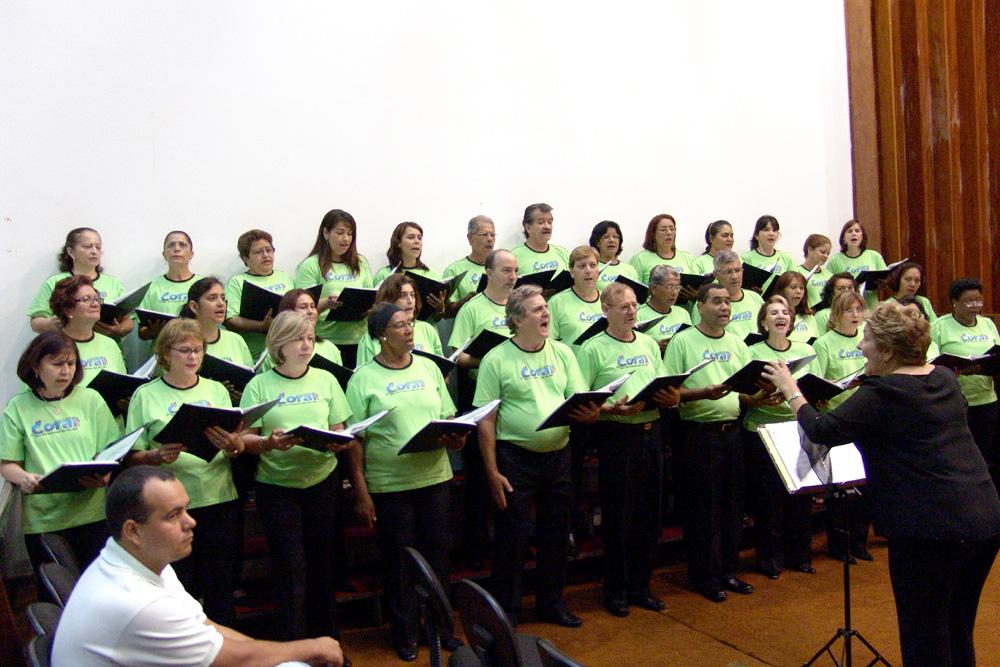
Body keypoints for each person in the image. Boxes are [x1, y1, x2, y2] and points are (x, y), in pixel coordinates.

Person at [763, 302, 1000, 667]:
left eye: (868, 339)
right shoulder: (944, 378)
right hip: (982, 518)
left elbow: (822, 430)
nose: (861, 346)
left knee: (924, 637)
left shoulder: (883, 393)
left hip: (930, 530)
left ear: (888, 351)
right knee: (957, 627)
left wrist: (791, 388)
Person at [51, 466, 344, 667]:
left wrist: (277, 657)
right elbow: (234, 659)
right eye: (173, 515)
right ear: (133, 531)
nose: (190, 522)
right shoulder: (138, 603)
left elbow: (206, 627)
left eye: (186, 509)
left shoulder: (139, 560)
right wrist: (313, 648)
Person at [473, 284, 600, 627]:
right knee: (512, 538)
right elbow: (486, 420)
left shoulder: (562, 353)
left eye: (546, 307)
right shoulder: (496, 359)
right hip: (515, 457)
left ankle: (552, 604)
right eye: (537, 309)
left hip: (558, 455)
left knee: (556, 534)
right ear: (516, 319)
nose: (546, 313)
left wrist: (590, 412)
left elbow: (577, 399)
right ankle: (507, 611)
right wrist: (492, 472)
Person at [345, 303, 463, 662]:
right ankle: (405, 632)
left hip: (434, 477)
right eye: (399, 325)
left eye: (410, 323)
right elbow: (354, 440)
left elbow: (448, 416)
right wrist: (361, 491)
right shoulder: (363, 378)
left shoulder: (428, 367)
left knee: (439, 557)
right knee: (399, 562)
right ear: (382, 335)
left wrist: (455, 437)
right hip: (390, 484)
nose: (409, 329)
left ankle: (442, 629)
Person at [240, 311, 353, 643]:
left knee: (323, 567)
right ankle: (293, 647)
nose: (306, 345)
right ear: (279, 344)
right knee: (290, 569)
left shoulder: (325, 380)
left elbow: (339, 428)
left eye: (309, 338)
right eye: (297, 339)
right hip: (277, 488)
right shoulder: (259, 385)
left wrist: (337, 441)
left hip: (322, 481)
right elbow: (244, 438)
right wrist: (268, 443)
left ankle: (327, 644)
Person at [125, 318, 245, 624]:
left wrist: (233, 445)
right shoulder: (145, 395)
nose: (193, 357)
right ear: (166, 353)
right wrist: (155, 455)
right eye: (184, 350)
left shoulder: (216, 390)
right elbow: (132, 455)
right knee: (180, 586)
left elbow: (235, 445)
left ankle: (222, 645)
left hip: (218, 496)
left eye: (198, 350)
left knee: (221, 584)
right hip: (170, 506)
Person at [663, 283, 774, 601]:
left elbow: (742, 393)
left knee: (732, 506)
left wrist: (762, 395)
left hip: (732, 433)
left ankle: (728, 571)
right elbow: (671, 392)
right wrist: (703, 393)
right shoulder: (683, 341)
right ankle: (705, 576)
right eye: (717, 301)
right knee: (704, 509)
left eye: (727, 302)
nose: (725, 307)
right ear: (700, 306)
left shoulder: (737, 342)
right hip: (698, 435)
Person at [577, 283, 679, 616]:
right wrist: (610, 409)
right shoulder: (592, 348)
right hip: (617, 437)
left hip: (651, 432)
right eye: (624, 307)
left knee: (649, 516)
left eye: (634, 305)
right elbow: (583, 402)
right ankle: (616, 589)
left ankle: (641, 586)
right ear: (606, 309)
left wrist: (672, 397)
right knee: (619, 517)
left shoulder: (648, 343)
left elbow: (664, 383)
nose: (632, 311)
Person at [1, 332, 119, 580]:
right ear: (36, 366)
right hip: (45, 520)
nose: (65, 371)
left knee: (98, 587)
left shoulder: (91, 399)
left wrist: (104, 474)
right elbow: (8, 463)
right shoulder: (18, 407)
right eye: (57, 364)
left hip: (91, 513)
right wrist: (24, 478)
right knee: (56, 591)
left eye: (71, 363)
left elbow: (110, 450)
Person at [447, 249, 517, 569]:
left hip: (514, 397)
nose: (512, 276)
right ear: (488, 272)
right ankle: (476, 551)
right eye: (505, 270)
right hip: (480, 396)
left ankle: (510, 547)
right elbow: (456, 355)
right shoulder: (473, 308)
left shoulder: (520, 307)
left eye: (515, 270)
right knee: (479, 478)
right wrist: (490, 359)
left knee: (512, 475)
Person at [741, 296, 817, 578]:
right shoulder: (752, 352)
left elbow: (814, 385)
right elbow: (743, 391)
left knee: (800, 498)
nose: (781, 316)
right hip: (761, 431)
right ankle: (770, 560)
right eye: (773, 313)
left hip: (796, 430)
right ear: (763, 323)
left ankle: (800, 555)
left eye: (785, 312)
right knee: (768, 500)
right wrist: (759, 397)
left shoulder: (805, 350)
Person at [812, 290, 872, 562]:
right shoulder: (824, 343)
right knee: (840, 487)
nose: (855, 315)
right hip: (838, 419)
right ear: (837, 314)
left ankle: (859, 541)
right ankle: (839, 544)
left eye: (859, 309)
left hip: (866, 419)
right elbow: (819, 383)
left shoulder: (867, 339)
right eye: (849, 310)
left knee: (865, 484)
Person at [932, 278, 999, 491]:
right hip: (955, 401)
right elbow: (930, 362)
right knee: (959, 455)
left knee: (986, 454)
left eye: (978, 301)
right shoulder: (940, 326)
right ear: (955, 302)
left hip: (986, 399)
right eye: (969, 301)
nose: (975, 306)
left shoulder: (987, 324)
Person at [294, 210, 372, 369]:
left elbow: (370, 295)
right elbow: (300, 309)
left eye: (350, 234)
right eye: (340, 233)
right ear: (325, 233)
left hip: (358, 339)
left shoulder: (360, 263)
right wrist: (327, 303)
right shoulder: (311, 265)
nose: (346, 239)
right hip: (325, 340)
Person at [28, 227, 131, 339]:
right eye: (88, 246)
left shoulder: (113, 283)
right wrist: (51, 324)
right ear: (71, 251)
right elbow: (35, 322)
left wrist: (121, 330)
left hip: (106, 345)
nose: (94, 251)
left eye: (98, 247)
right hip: (66, 345)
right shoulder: (55, 282)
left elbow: (129, 319)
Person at [224, 229, 294, 360]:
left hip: (287, 352)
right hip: (255, 355)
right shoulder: (237, 282)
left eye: (269, 250)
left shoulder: (285, 277)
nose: (265, 255)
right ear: (246, 259)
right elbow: (231, 320)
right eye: (258, 252)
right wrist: (261, 326)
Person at [48, 275, 127, 386]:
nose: (95, 304)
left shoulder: (110, 344)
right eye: (86, 299)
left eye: (97, 299)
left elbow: (122, 385)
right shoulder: (50, 347)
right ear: (67, 309)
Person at [355, 273, 443, 368]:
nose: (410, 301)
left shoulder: (427, 329)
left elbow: (441, 370)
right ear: (388, 301)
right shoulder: (371, 338)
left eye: (412, 295)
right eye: (402, 296)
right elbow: (365, 374)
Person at [257, 288, 345, 372]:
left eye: (313, 306)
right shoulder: (277, 352)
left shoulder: (330, 347)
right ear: (288, 313)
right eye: (303, 307)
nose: (310, 311)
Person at [137, 231, 202, 341]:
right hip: (163, 349)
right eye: (171, 245)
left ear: (191, 254)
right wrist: (154, 331)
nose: (176, 249)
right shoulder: (151, 287)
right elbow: (142, 333)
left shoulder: (203, 285)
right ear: (164, 255)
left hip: (196, 348)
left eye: (182, 245)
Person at [372, 222, 447, 317]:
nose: (417, 241)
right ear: (398, 243)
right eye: (411, 237)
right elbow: (376, 311)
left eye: (419, 238)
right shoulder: (385, 274)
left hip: (425, 325)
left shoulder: (432, 274)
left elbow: (438, 317)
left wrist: (440, 309)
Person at [181, 277, 253, 369]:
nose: (221, 303)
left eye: (223, 298)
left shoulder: (236, 340)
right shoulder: (180, 343)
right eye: (212, 298)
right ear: (194, 306)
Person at [692, 250, 764, 340]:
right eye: (728, 272)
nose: (734, 276)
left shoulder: (755, 298)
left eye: (738, 270)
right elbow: (699, 337)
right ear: (716, 274)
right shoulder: (706, 303)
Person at [547, 245, 604, 357]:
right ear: (572, 272)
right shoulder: (556, 302)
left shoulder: (608, 299)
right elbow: (548, 343)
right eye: (582, 266)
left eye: (593, 265)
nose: (588, 270)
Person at [825, 220, 887, 309]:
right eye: (850, 231)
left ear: (862, 237)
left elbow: (885, 279)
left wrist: (880, 283)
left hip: (870, 307)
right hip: (845, 308)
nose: (854, 234)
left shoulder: (874, 256)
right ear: (843, 238)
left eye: (857, 231)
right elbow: (829, 287)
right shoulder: (835, 260)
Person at [442, 215, 496, 317]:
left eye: (492, 235)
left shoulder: (501, 268)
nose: (490, 239)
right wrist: (467, 301)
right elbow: (447, 312)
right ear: (470, 238)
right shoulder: (454, 270)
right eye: (484, 234)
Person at [637, 265, 692, 353]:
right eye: (669, 287)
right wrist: (655, 347)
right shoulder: (638, 315)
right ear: (654, 288)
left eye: (677, 287)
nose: (674, 292)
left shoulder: (683, 313)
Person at [629, 213, 694, 283]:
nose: (669, 232)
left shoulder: (687, 257)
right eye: (663, 230)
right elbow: (633, 287)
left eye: (672, 229)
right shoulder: (640, 259)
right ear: (653, 234)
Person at [511, 203, 569, 276]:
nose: (547, 227)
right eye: (541, 222)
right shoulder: (514, 257)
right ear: (528, 227)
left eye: (550, 222)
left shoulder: (562, 253)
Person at [741, 215, 794, 291]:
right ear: (756, 235)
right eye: (766, 230)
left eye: (774, 230)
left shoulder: (786, 258)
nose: (771, 233)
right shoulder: (745, 258)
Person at [589, 220, 639, 291]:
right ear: (597, 242)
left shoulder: (629, 269)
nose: (611, 240)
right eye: (606, 237)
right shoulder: (590, 267)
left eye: (615, 236)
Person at [771, 271, 818, 343]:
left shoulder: (809, 317)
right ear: (782, 290)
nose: (798, 291)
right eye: (793, 287)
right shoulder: (773, 316)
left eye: (801, 288)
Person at [795, 233, 834, 308]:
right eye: (822, 252)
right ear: (810, 250)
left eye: (828, 253)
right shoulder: (796, 273)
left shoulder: (829, 275)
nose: (826, 256)